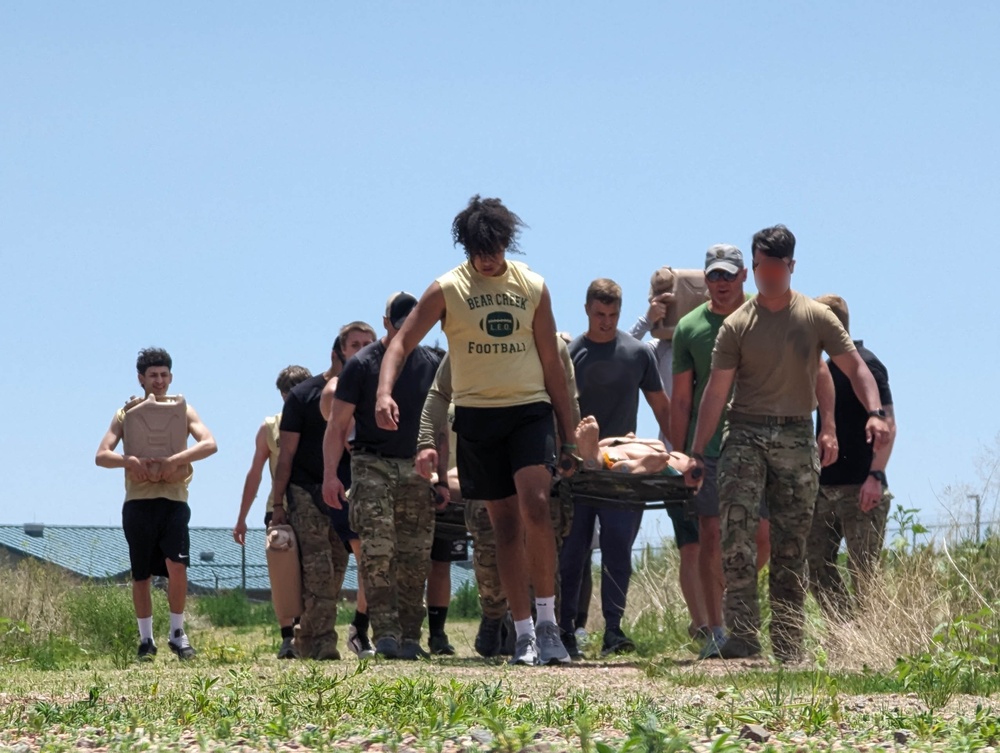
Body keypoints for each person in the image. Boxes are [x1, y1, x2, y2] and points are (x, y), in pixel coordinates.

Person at [375, 195, 576, 666]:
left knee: (537, 505)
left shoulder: (533, 286)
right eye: (479, 249)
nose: (489, 257)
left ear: (508, 242)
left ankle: (549, 625)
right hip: (477, 417)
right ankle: (522, 631)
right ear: (466, 247)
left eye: (497, 247)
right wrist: (384, 392)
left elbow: (552, 363)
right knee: (503, 526)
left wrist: (567, 435)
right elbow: (402, 342)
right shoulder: (447, 288)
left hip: (529, 410)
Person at [685, 225, 891, 662]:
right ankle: (741, 637)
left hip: (797, 435)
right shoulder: (737, 325)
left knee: (791, 547)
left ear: (792, 267)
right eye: (763, 267)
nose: (770, 275)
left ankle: (788, 644)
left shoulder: (816, 317)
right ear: (754, 268)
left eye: (778, 267)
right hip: (744, 433)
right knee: (736, 538)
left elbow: (854, 369)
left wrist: (873, 413)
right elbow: (715, 393)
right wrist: (698, 452)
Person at [415, 338, 581, 658]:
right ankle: (499, 619)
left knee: (539, 529)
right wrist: (424, 441)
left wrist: (569, 445)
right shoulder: (469, 331)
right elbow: (439, 391)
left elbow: (566, 396)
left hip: (534, 443)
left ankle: (547, 625)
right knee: (494, 546)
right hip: (483, 444)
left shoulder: (547, 338)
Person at [323, 293, 442, 660]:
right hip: (371, 462)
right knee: (377, 549)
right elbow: (337, 425)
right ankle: (385, 632)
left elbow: (441, 425)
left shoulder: (433, 363)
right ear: (387, 322)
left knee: (415, 553)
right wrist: (330, 474)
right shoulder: (361, 365)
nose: (408, 329)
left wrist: (445, 476)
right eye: (399, 322)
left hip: (416, 466)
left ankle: (411, 636)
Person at [560, 278, 672, 657]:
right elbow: (558, 409)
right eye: (599, 314)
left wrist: (678, 452)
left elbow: (661, 406)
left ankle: (613, 629)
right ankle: (565, 631)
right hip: (578, 469)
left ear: (620, 313)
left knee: (617, 548)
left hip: (622, 466)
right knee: (572, 552)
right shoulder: (571, 353)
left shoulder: (637, 353)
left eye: (612, 315)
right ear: (587, 310)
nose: (605, 322)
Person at [95, 347, 217, 661]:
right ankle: (146, 640)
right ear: (141, 378)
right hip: (138, 501)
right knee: (141, 574)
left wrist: (175, 460)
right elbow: (101, 455)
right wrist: (129, 461)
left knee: (177, 566)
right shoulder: (126, 412)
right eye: (153, 375)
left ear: (171, 377)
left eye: (163, 375)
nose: (159, 380)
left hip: (174, 499)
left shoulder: (183, 410)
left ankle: (178, 634)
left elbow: (209, 443)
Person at [807, 294, 897, 617]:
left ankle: (875, 645)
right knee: (815, 564)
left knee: (864, 573)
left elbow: (888, 425)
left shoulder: (866, 364)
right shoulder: (822, 368)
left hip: (862, 488)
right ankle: (847, 633)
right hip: (825, 488)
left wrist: (876, 476)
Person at [270, 342, 351, 660]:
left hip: (343, 493)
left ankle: (305, 636)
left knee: (336, 568)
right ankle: (324, 643)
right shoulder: (303, 395)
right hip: (304, 491)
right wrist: (279, 505)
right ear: (335, 355)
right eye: (352, 348)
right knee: (317, 567)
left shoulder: (360, 394)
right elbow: (285, 456)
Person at [232, 364, 312, 659]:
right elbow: (254, 473)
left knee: (313, 574)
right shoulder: (270, 427)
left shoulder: (322, 420)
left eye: (298, 392)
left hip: (314, 507)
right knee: (282, 574)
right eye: (287, 393)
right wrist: (241, 518)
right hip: (279, 510)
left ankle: (309, 633)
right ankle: (287, 637)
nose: (292, 398)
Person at [319, 321, 378, 658]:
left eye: (367, 343)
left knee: (381, 558)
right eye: (355, 344)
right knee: (364, 555)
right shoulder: (336, 389)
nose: (362, 349)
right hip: (349, 478)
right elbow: (346, 438)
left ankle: (365, 626)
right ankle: (360, 629)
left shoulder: (388, 386)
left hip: (384, 476)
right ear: (343, 351)